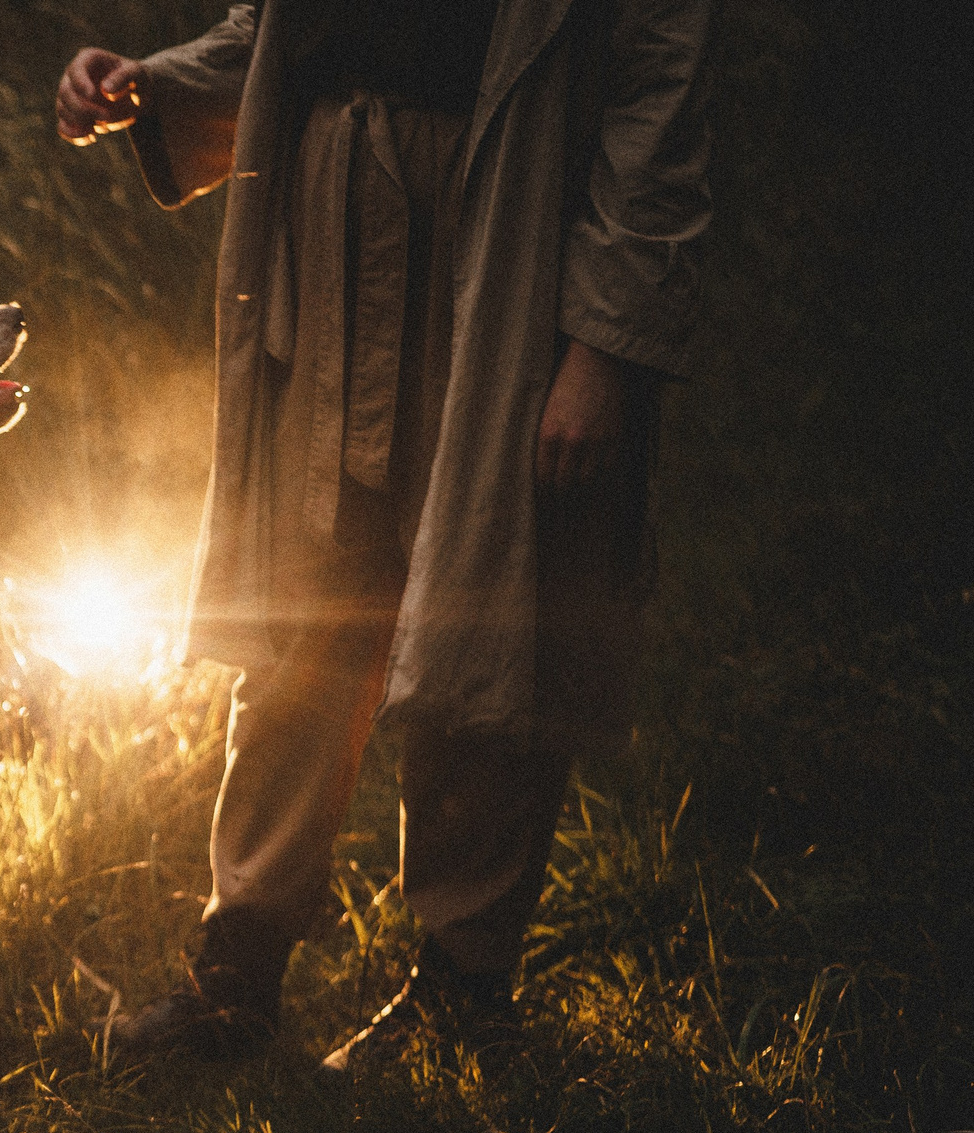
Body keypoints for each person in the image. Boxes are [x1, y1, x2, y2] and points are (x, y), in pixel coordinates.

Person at [55, 0, 711, 1071]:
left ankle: (458, 995)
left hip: (504, 248)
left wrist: (602, 347)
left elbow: (656, 96)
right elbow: (286, 32)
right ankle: (238, 977)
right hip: (323, 232)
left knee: (479, 609)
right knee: (304, 605)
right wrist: (151, 86)